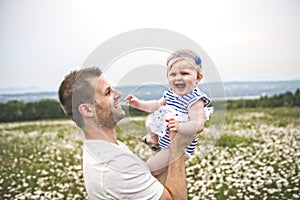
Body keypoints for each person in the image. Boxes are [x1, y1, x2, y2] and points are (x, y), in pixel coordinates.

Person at [58, 66, 202, 199]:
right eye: (108, 92)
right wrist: (178, 147)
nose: (118, 94)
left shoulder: (108, 149)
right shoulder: (115, 166)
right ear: (87, 110)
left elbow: (153, 189)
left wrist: (166, 142)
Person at [125, 49, 213, 174]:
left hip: (178, 147)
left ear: (198, 78)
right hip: (166, 138)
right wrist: (138, 103)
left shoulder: (195, 100)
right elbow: (155, 105)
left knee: (150, 168)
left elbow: (198, 125)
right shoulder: (172, 93)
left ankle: (156, 145)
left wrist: (180, 127)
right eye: (173, 74)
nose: (178, 78)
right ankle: (155, 142)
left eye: (184, 73)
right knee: (151, 118)